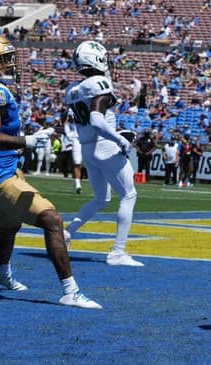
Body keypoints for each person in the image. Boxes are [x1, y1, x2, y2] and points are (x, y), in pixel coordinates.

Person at [0, 33, 101, 309]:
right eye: (2, 59)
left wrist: (17, 147)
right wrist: (27, 141)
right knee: (52, 220)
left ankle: (0, 272)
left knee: (9, 225)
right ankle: (70, 290)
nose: (9, 64)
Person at [63, 40, 143, 267]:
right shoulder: (98, 83)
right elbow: (97, 120)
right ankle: (118, 252)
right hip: (104, 145)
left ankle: (67, 233)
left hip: (87, 147)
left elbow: (89, 121)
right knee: (129, 195)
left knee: (101, 199)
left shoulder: (73, 90)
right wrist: (119, 139)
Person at [63, 110, 83, 193]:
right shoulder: (70, 123)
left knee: (90, 162)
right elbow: (67, 125)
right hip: (76, 140)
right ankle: (78, 185)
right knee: (76, 162)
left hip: (87, 139)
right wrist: (70, 136)